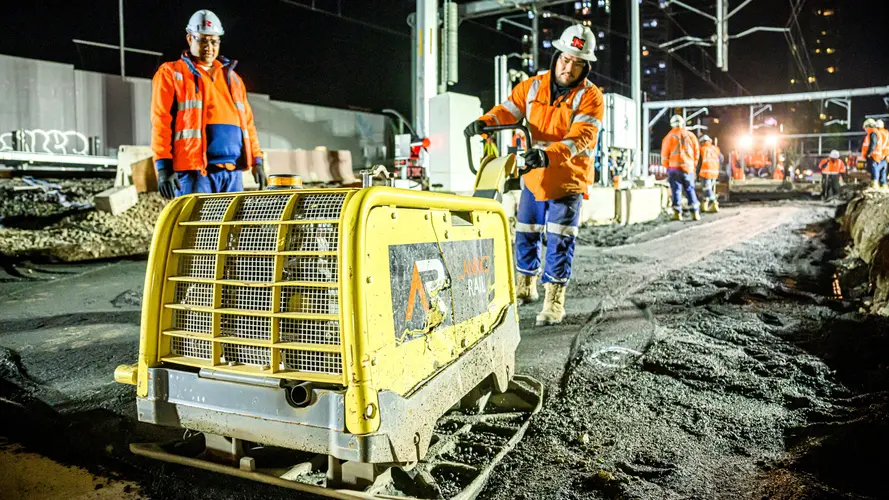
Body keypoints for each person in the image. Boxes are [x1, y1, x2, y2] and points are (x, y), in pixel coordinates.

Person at [464, 24, 604, 326]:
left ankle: (554, 300)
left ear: (585, 66)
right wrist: (485, 122)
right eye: (565, 59)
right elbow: (508, 110)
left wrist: (548, 154)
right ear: (556, 57)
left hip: (568, 180)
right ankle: (526, 286)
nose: (569, 67)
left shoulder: (591, 98)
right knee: (525, 232)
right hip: (534, 177)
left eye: (577, 63)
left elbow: (580, 137)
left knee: (559, 240)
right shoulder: (531, 86)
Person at [150, 10, 266, 199]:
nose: (209, 47)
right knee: (197, 228)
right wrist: (163, 166)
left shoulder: (233, 79)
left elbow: (248, 124)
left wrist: (257, 160)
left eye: (214, 41)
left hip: (232, 172)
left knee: (230, 228)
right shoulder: (171, 73)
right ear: (190, 38)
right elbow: (161, 121)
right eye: (203, 40)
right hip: (194, 172)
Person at [661, 114, 701, 221]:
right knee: (690, 189)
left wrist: (666, 167)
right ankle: (695, 212)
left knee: (676, 190)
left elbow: (664, 154)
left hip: (674, 168)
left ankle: (677, 213)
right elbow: (697, 152)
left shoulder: (669, 137)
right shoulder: (691, 136)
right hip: (688, 168)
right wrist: (693, 165)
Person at [697, 135, 722, 213]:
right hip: (714, 172)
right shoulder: (715, 149)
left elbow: (699, 163)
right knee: (708, 189)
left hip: (705, 172)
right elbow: (721, 158)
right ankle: (704, 206)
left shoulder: (702, 149)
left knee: (707, 189)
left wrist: (697, 174)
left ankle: (714, 203)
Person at [861, 118, 884, 189]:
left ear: (868, 126)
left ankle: (875, 184)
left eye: (865, 128)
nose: (865, 129)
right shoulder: (874, 132)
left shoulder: (873, 133)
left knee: (874, 169)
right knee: (874, 169)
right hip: (875, 154)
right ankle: (874, 183)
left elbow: (873, 143)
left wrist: (869, 152)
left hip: (874, 154)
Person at [878, 119, 889, 190]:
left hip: (881, 154)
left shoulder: (879, 133)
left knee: (879, 169)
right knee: (884, 170)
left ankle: (882, 183)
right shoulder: (886, 132)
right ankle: (884, 184)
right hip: (886, 153)